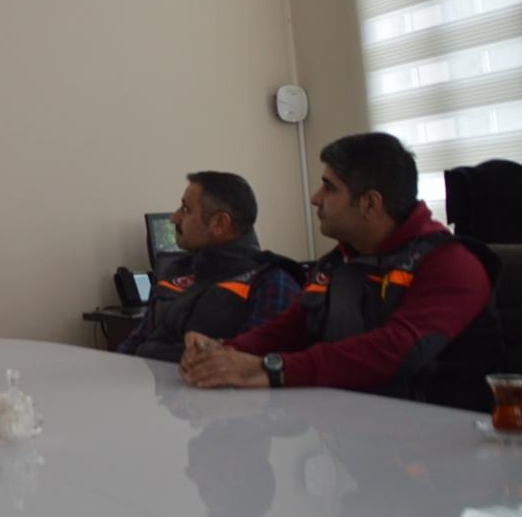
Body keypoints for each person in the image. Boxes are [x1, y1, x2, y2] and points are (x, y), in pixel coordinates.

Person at [180, 132, 504, 411]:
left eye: (329, 188)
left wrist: (273, 369)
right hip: (358, 428)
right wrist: (221, 352)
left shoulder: (452, 264)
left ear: (370, 204)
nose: (315, 198)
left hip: (441, 441)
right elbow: (290, 330)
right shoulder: (340, 262)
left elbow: (394, 350)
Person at [118, 171, 302, 362]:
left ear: (219, 224)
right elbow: (135, 342)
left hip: (200, 380)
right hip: (149, 379)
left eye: (186, 209)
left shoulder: (270, 282)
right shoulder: (175, 273)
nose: (174, 218)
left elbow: (250, 364)